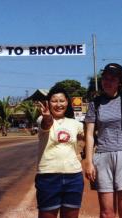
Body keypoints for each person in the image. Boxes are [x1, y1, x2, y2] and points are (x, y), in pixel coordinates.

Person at [84, 63, 122, 218]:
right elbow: (89, 135)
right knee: (106, 213)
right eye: (105, 78)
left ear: (119, 82)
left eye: (112, 79)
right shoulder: (95, 103)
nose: (107, 82)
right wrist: (89, 161)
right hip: (103, 156)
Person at [35, 86, 85, 218]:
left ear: (67, 103)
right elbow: (47, 124)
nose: (58, 104)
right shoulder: (42, 119)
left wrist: (82, 153)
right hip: (48, 177)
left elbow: (89, 137)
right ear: (48, 103)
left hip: (74, 177)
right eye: (54, 101)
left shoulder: (76, 124)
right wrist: (47, 117)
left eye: (61, 101)